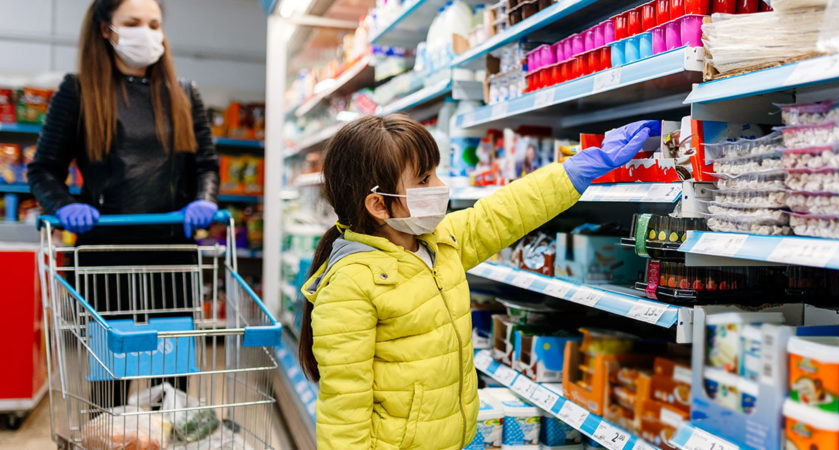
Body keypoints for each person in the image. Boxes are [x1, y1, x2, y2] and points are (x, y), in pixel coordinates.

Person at [298, 114, 657, 449]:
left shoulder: (440, 243)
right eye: (424, 179)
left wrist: (573, 171)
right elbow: (344, 409)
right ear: (379, 205)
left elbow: (504, 212)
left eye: (435, 173)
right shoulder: (350, 284)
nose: (440, 186)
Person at [27, 0, 219, 407]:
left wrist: (204, 199)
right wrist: (63, 206)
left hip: (173, 255)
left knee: (172, 386)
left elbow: (206, 165)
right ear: (105, 29)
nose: (146, 33)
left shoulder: (184, 93)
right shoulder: (78, 92)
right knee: (111, 384)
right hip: (105, 257)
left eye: (154, 23)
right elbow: (43, 169)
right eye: (132, 23)